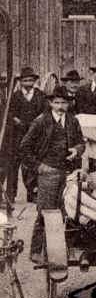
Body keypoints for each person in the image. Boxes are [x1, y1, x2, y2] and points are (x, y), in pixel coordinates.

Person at [22, 86, 85, 264]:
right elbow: (24, 148)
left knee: (70, 211)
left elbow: (81, 143)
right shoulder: (40, 121)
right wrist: (39, 167)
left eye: (64, 102)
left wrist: (76, 150)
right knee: (46, 212)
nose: (60, 106)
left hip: (69, 173)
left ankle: (64, 249)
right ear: (50, 103)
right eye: (56, 102)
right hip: (48, 173)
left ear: (68, 104)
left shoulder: (73, 121)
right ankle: (36, 252)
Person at [2, 68, 47, 204]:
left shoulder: (40, 95)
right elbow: (9, 113)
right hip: (17, 135)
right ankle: (11, 194)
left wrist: (36, 122)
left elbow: (45, 111)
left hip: (34, 136)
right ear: (20, 82)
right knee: (13, 165)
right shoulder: (14, 96)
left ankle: (32, 193)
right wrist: (17, 121)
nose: (28, 83)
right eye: (25, 80)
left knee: (31, 165)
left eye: (31, 80)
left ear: (34, 81)